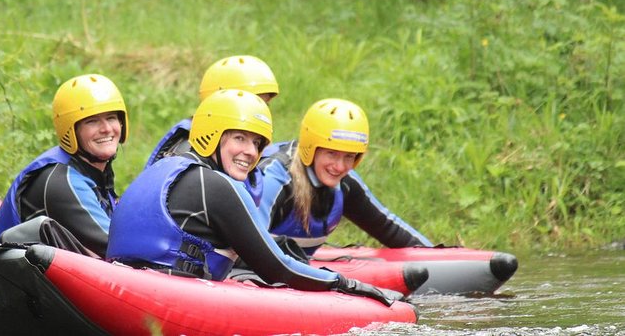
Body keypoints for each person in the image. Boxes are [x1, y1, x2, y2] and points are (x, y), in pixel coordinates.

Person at [107, 89, 403, 306]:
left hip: (122, 285)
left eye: (257, 142)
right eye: (239, 138)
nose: (251, 151)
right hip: (165, 298)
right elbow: (278, 268)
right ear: (212, 134)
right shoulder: (215, 186)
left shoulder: (167, 166)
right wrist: (346, 284)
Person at [257, 98, 433, 258]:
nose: (340, 166)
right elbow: (243, 246)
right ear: (311, 147)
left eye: (349, 156)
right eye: (331, 153)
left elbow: (389, 229)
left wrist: (435, 258)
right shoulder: (274, 181)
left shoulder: (345, 184)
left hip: (288, 267)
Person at [0, 74, 128, 258]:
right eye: (92, 121)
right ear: (71, 130)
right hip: (7, 282)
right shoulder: (62, 181)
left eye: (111, 118)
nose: (107, 129)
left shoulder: (94, 173)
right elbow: (118, 248)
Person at [145, 55, 279, 168]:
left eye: (265, 105)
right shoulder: (190, 153)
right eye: (252, 103)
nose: (262, 112)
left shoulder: (251, 147)